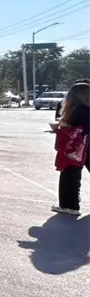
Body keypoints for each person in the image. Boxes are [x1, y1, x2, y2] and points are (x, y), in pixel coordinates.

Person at [53, 82, 90, 215]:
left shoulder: (79, 109)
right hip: (85, 144)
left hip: (78, 146)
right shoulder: (86, 108)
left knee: (70, 174)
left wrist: (58, 129)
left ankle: (69, 206)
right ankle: (71, 204)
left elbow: (75, 128)